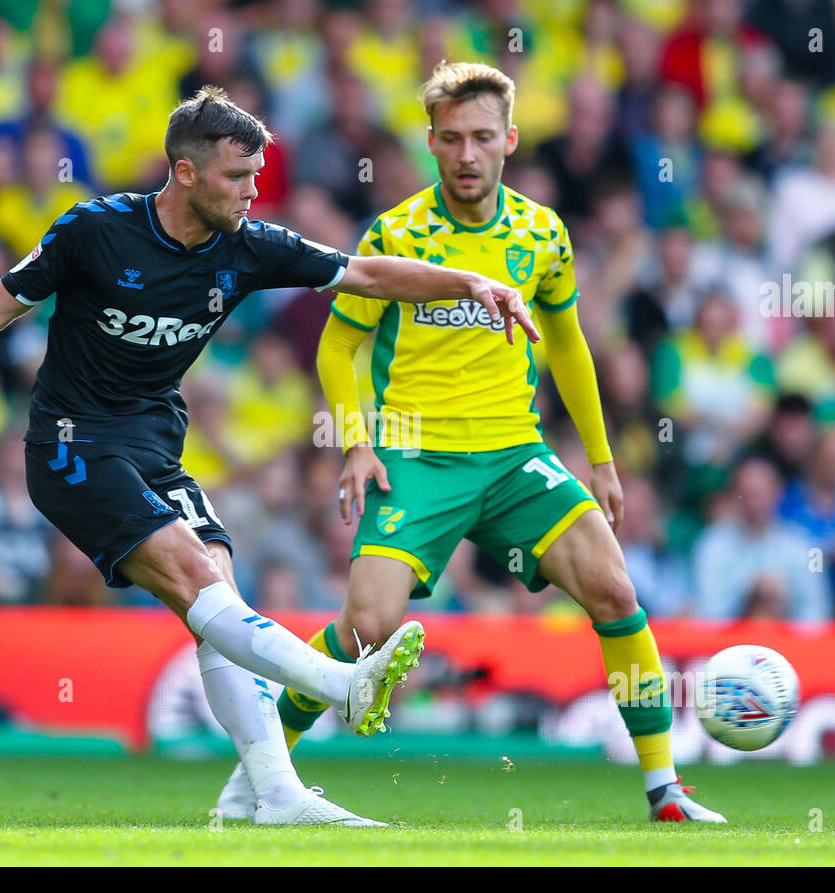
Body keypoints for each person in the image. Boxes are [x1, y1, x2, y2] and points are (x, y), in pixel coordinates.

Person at [0, 86, 536, 827]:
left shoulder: (249, 245)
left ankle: (274, 797)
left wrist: (472, 282)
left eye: (258, 176)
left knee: (215, 597)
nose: (253, 191)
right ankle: (340, 684)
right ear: (185, 174)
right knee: (199, 579)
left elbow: (367, 273)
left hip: (155, 445)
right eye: (237, 177)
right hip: (72, 445)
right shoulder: (95, 231)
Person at [215, 62, 725, 825]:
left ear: (509, 140)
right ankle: (258, 774)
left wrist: (603, 460)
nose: (466, 154)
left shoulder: (542, 233)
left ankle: (666, 791)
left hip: (518, 457)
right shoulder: (395, 233)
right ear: (430, 142)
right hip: (417, 459)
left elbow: (570, 346)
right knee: (363, 630)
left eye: (482, 137)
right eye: (450, 139)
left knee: (616, 592)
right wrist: (357, 444)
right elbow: (336, 348)